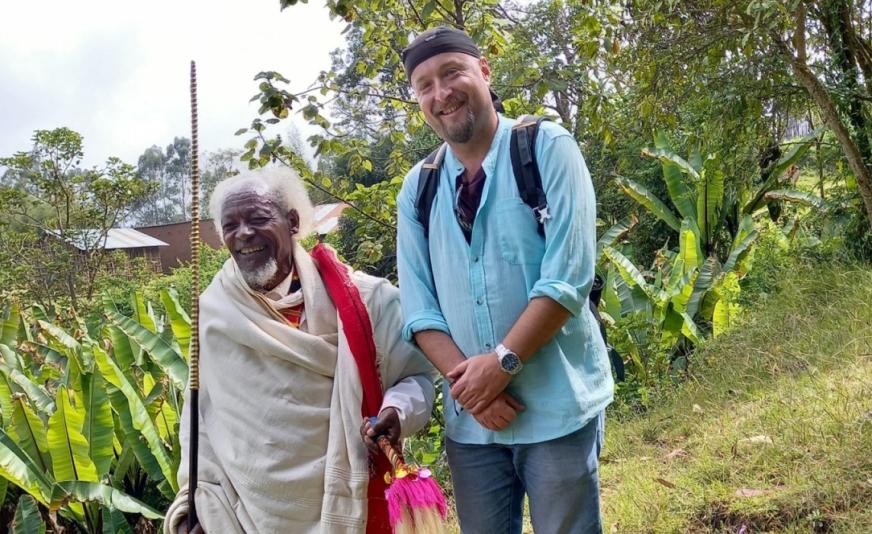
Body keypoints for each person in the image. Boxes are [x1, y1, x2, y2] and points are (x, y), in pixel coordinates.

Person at [396, 26, 614, 534]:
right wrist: (474, 389)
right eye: (425, 84)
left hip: (557, 410)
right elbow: (420, 309)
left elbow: (567, 278)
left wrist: (502, 363)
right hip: (473, 427)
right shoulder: (419, 187)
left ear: (484, 71)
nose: (441, 93)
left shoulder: (545, 148)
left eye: (452, 73)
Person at [164, 168, 436, 534]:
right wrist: (192, 505)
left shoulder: (367, 301)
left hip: (350, 505)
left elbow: (417, 379)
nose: (243, 234)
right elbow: (201, 420)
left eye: (258, 219)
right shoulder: (212, 313)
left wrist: (396, 411)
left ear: (292, 221)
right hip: (249, 516)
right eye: (231, 225)